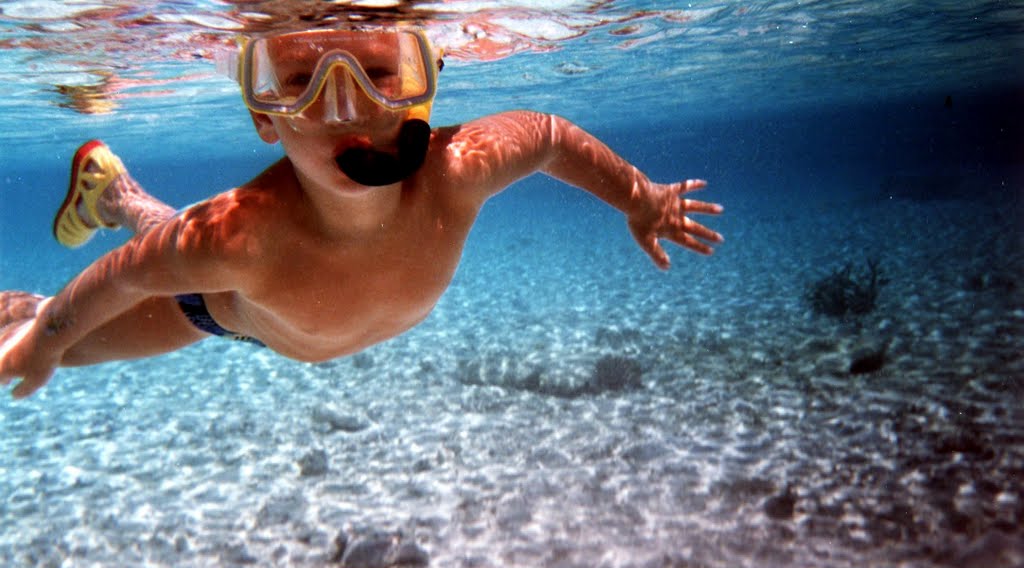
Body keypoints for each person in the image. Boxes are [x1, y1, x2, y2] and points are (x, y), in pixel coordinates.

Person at [0, 26, 722, 399]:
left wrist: (641, 197)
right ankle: (46, 282)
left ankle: (111, 192)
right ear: (264, 117)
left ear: (424, 81)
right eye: (299, 82)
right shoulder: (242, 237)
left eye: (378, 73)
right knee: (63, 341)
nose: (343, 109)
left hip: (255, 298)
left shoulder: (458, 172)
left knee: (172, 237)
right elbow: (127, 277)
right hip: (215, 310)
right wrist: (46, 335)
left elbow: (552, 137)